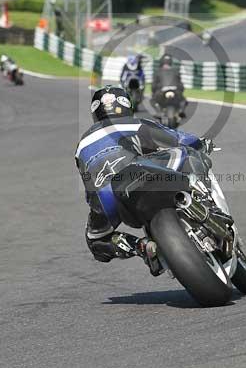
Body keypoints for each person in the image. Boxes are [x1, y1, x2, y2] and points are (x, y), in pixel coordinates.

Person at [74, 85, 214, 267]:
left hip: (106, 195)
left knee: (96, 240)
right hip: (140, 171)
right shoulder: (134, 123)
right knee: (187, 153)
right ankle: (206, 203)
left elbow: (89, 186)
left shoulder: (81, 146)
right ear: (126, 105)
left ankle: (141, 247)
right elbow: (180, 139)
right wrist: (201, 143)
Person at [151, 53, 186, 118]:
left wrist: (153, 91)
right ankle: (181, 110)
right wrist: (181, 90)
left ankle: (159, 112)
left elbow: (153, 86)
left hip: (162, 92)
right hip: (175, 91)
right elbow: (181, 85)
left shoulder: (158, 72)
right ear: (171, 62)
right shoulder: (176, 71)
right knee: (183, 99)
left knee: (153, 100)